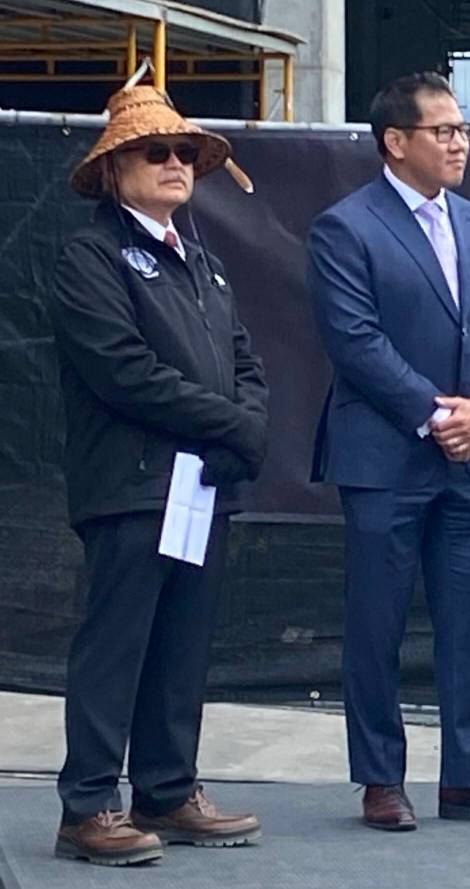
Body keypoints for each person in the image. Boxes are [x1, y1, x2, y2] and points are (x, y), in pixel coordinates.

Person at [307, 72, 470, 831]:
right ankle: (381, 777)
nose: (460, 142)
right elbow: (355, 341)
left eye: (462, 129)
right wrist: (432, 413)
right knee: (377, 623)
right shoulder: (345, 228)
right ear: (396, 142)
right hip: (385, 457)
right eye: (443, 130)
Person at [49, 85, 269, 865]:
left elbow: (245, 361)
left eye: (185, 153)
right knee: (117, 645)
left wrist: (243, 425)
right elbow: (124, 372)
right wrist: (235, 426)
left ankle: (168, 791)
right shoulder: (90, 255)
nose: (176, 163)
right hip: (132, 484)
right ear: (115, 169)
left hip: (200, 485)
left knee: (182, 645)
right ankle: (88, 805)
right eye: (157, 151)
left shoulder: (201, 261)